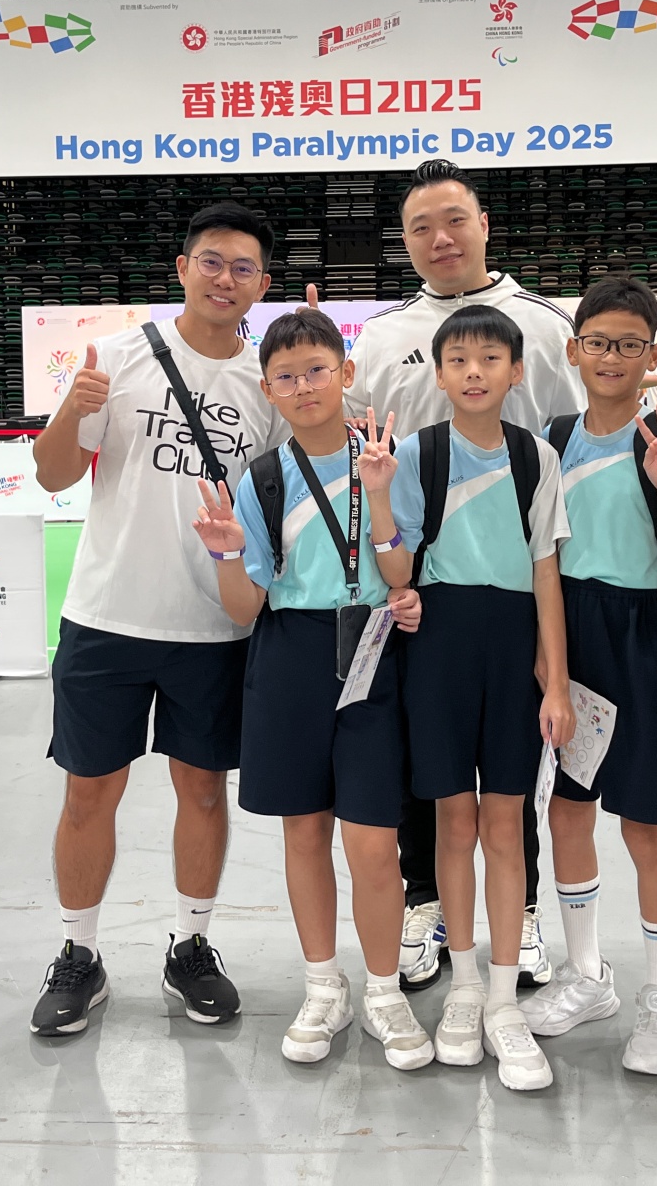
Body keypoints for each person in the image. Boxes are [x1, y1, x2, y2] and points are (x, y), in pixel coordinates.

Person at [28, 202, 287, 1038]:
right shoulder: (116, 357)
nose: (225, 278)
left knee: (203, 792)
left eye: (242, 268)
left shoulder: (266, 383)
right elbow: (53, 476)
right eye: (211, 261)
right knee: (87, 794)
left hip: (213, 625)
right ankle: (78, 953)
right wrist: (70, 410)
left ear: (262, 285)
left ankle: (191, 946)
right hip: (107, 616)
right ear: (182, 268)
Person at [344, 157, 585, 992]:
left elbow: (568, 440)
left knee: (513, 767)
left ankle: (521, 911)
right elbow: (361, 452)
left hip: (517, 573)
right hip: (416, 580)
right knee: (426, 760)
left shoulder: (543, 326)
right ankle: (426, 902)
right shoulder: (383, 337)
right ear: (405, 241)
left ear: (483, 225)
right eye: (421, 227)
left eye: (454, 220)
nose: (440, 238)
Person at [190, 308, 435, 1070]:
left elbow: (400, 571)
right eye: (286, 377)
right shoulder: (264, 479)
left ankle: (385, 991)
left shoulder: (388, 459)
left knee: (374, 840)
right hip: (290, 656)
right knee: (304, 832)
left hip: (372, 650)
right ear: (268, 389)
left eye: (317, 371)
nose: (303, 387)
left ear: (346, 373)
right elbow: (246, 608)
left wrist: (381, 500)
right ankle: (324, 986)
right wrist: (227, 555)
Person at [365, 302, 574, 1091]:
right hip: (440, 646)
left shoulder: (535, 457)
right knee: (453, 820)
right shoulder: (418, 453)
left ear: (516, 371)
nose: (475, 372)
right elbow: (397, 564)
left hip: (513, 644)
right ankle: (462, 985)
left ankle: (504, 999)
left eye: (490, 359)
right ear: (440, 374)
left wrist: (555, 681)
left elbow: (546, 572)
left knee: (506, 823)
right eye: (458, 361)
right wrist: (380, 500)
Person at [518, 276, 657, 1074]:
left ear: (652, 354)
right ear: (574, 350)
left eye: (630, 344)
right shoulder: (552, 438)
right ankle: (587, 974)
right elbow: (543, 559)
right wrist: (550, 662)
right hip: (572, 634)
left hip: (643, 638)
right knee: (567, 813)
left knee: (643, 824)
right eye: (598, 342)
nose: (612, 357)